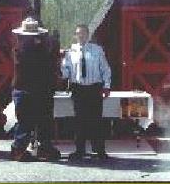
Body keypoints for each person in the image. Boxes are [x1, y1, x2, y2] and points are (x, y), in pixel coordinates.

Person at [10, 17, 61, 162]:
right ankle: (19, 150)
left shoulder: (22, 48)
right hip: (27, 91)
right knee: (26, 122)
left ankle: (44, 148)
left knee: (42, 120)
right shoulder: (25, 50)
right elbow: (47, 62)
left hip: (37, 90)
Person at [61, 24, 111, 160]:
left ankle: (100, 151)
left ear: (88, 35)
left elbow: (105, 70)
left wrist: (106, 86)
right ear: (75, 36)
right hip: (78, 89)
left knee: (96, 120)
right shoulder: (70, 51)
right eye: (78, 33)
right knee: (79, 121)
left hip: (94, 89)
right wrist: (59, 67)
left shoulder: (97, 50)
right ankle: (79, 151)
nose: (81, 36)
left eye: (83, 33)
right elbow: (66, 71)